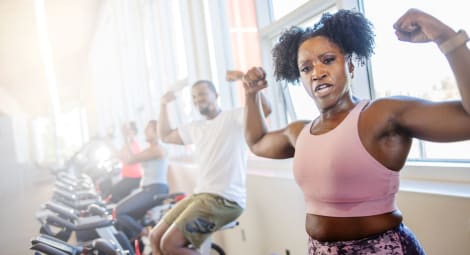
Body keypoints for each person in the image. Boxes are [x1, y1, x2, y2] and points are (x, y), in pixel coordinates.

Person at [242, 8, 470, 255]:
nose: (317, 73)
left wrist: (446, 38)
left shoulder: (379, 115)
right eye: (306, 68)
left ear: (350, 65)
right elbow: (256, 142)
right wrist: (251, 94)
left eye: (328, 60)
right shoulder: (299, 132)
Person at [150, 79, 271, 254]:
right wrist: (163, 104)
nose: (198, 99)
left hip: (225, 199)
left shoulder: (233, 117)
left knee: (170, 244)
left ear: (216, 95)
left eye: (202, 94)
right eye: (194, 97)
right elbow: (165, 135)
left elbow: (265, 110)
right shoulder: (195, 127)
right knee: (155, 237)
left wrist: (252, 88)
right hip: (200, 195)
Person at [114, 120, 169, 241]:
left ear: (156, 132)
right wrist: (126, 139)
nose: (144, 131)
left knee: (119, 212)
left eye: (148, 129)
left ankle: (148, 234)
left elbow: (130, 159)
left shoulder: (157, 149)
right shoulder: (150, 149)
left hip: (155, 189)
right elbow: (128, 157)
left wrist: (125, 137)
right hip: (147, 188)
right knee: (123, 222)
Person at [109, 121, 143, 203]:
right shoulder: (127, 145)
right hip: (127, 177)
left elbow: (132, 157)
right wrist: (109, 140)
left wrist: (125, 137)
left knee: (115, 193)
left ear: (134, 132)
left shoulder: (135, 144)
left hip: (134, 178)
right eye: (127, 129)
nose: (127, 131)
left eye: (129, 129)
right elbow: (117, 155)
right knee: (112, 190)